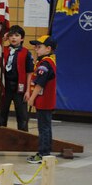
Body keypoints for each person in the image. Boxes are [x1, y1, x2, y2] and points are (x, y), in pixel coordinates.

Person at [0, 25, 34, 131]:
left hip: (19, 88)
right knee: (2, 113)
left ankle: (23, 138)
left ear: (22, 38)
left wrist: (28, 91)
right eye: (11, 35)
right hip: (5, 87)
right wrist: (2, 41)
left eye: (17, 35)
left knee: (22, 115)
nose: (13, 38)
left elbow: (29, 73)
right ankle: (0, 135)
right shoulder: (3, 50)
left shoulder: (26, 53)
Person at [26, 35, 57, 164]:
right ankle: (47, 153)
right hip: (47, 102)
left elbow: (40, 84)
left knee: (43, 128)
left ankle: (43, 154)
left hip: (43, 101)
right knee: (46, 127)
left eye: (39, 47)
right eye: (35, 47)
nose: (36, 49)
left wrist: (32, 98)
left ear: (48, 48)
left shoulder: (45, 64)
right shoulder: (47, 61)